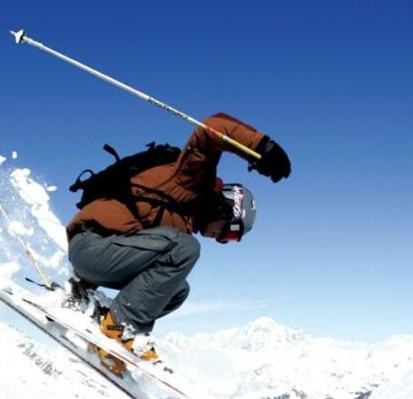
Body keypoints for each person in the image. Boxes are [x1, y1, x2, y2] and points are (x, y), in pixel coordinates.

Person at [66, 112, 290, 372]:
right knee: (185, 249)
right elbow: (213, 128)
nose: (220, 240)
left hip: (101, 257)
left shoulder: (182, 222)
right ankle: (120, 329)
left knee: (176, 290)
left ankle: (104, 316)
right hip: (90, 245)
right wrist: (261, 147)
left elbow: (132, 243)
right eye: (228, 233)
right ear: (227, 209)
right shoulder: (189, 183)